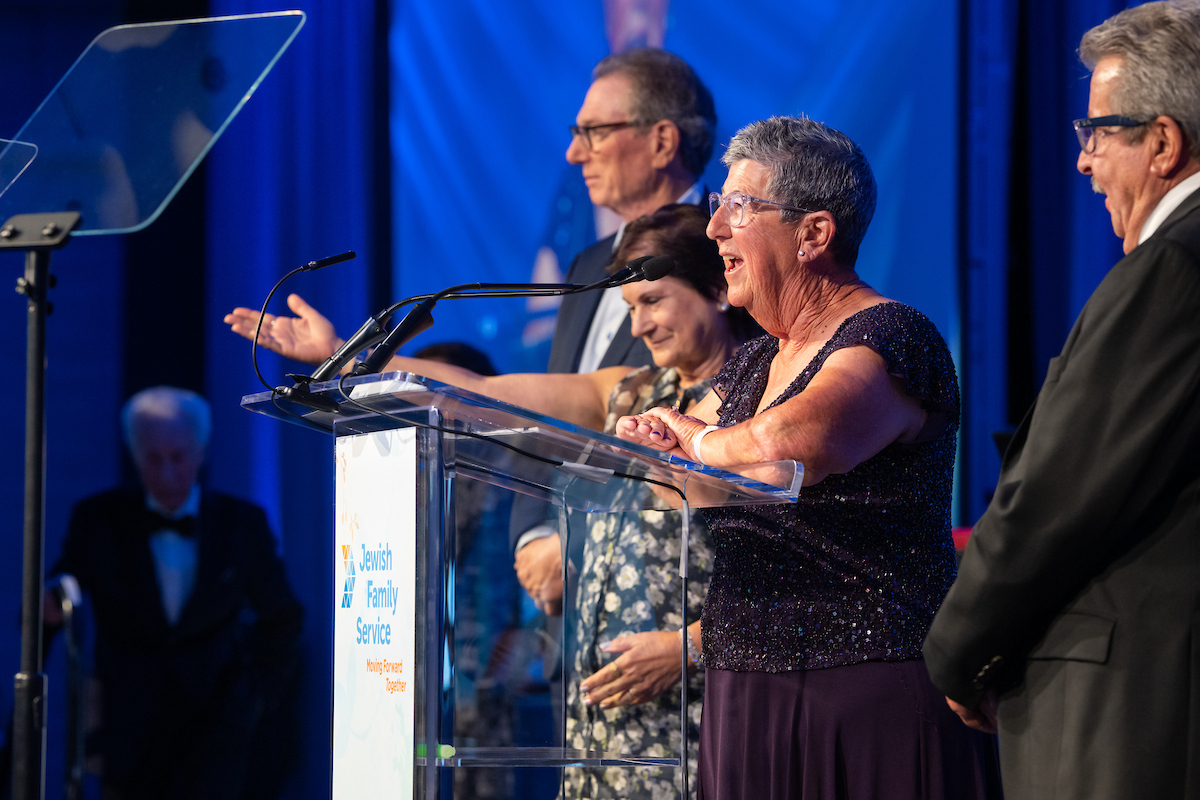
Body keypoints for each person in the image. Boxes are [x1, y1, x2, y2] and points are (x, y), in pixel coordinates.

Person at [228, 203, 757, 799]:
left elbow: (792, 573)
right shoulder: (630, 391)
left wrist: (688, 647)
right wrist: (345, 354)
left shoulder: (759, 400)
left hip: (701, 700)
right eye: (630, 308)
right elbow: (479, 390)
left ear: (717, 289)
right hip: (605, 712)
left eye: (652, 301)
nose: (638, 328)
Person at [617, 118, 1000, 799]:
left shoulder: (893, 336)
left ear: (814, 233)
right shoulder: (755, 360)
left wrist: (688, 433)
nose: (715, 229)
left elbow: (788, 446)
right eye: (719, 206)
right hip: (744, 686)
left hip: (863, 685)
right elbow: (701, 485)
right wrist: (658, 441)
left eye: (739, 207)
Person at [923, 3, 1200, 798]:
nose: (1081, 161)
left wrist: (958, 648)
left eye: (1097, 134)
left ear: (1163, 143)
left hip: (1127, 707)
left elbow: (1059, 492)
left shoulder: (1170, 270)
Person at [46, 386, 304, 800]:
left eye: (178, 457)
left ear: (201, 453)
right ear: (135, 455)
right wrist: (49, 608)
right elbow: (54, 597)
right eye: (153, 458)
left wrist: (255, 699)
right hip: (128, 729)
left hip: (217, 729)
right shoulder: (99, 520)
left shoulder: (242, 524)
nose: (167, 473)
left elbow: (283, 617)